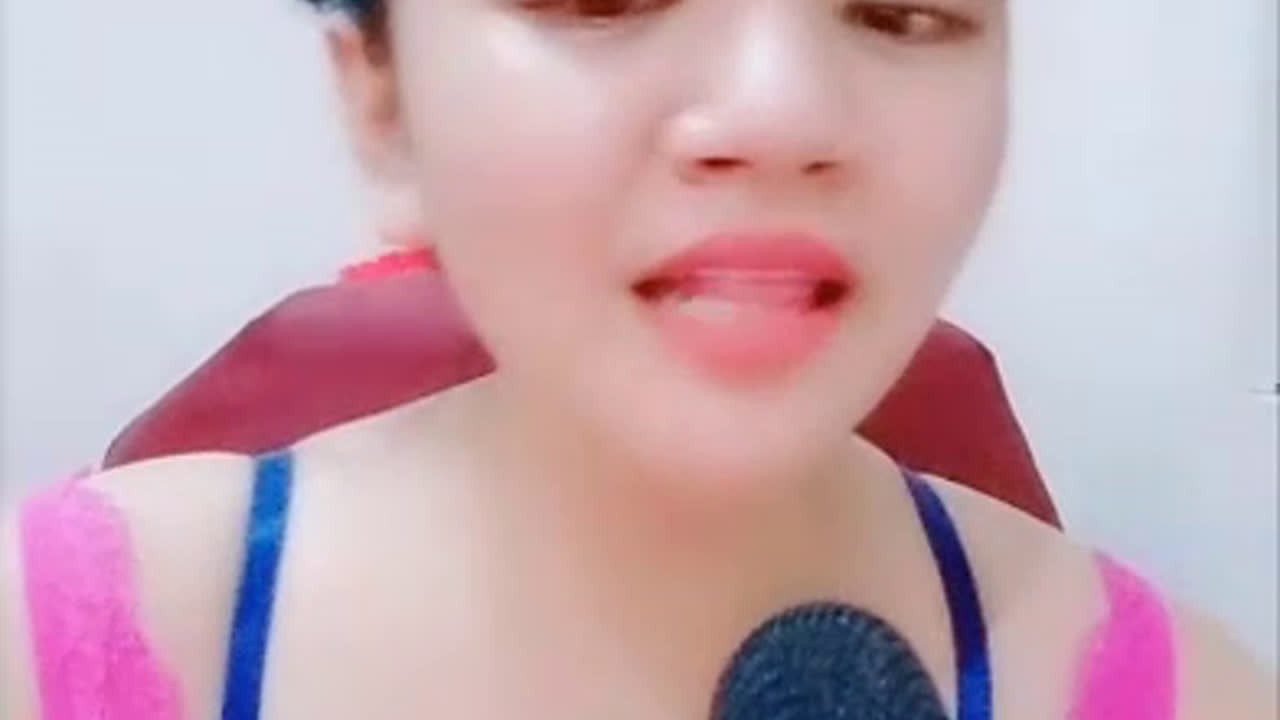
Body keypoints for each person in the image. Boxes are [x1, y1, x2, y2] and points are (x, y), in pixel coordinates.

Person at [1, 1, 1273, 717]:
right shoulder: (48, 647)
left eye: (899, 6)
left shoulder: (1187, 696)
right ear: (380, 101)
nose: (778, 111)